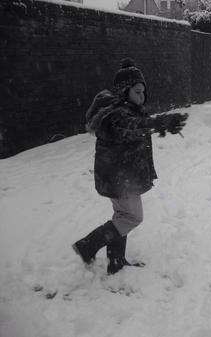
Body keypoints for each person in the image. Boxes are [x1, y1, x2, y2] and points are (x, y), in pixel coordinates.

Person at [73, 58, 188, 275]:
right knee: (132, 217)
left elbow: (136, 125)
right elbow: (132, 127)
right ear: (124, 92)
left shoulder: (124, 110)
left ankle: (116, 261)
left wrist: (155, 124)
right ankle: (87, 245)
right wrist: (159, 123)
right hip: (119, 178)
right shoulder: (117, 115)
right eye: (137, 91)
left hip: (120, 176)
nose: (142, 96)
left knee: (122, 216)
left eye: (143, 92)